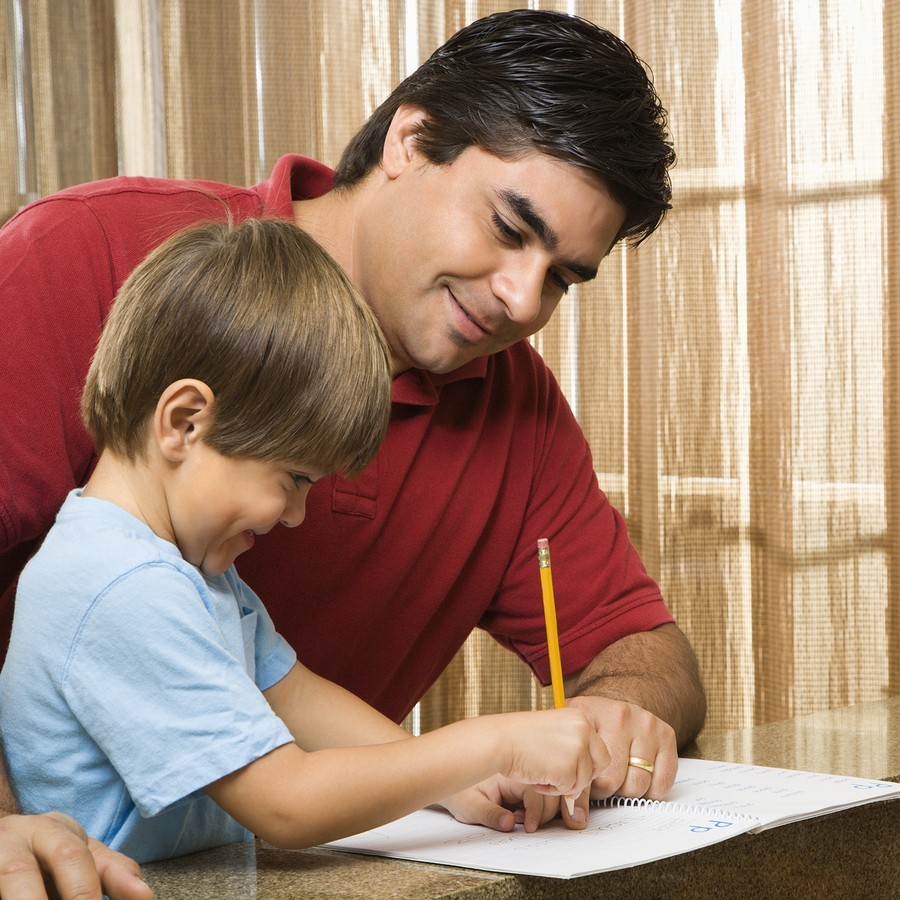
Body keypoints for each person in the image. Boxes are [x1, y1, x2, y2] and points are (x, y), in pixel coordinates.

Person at [0, 8, 706, 897]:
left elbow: (644, 650)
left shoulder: (515, 406)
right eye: (508, 227)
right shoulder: (84, 255)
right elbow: (283, 795)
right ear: (412, 139)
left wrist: (612, 725)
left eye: (563, 276)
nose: (525, 300)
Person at [0, 216, 608, 868]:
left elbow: (293, 693)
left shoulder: (188, 571)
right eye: (292, 479)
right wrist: (491, 747)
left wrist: (454, 785)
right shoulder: (122, 585)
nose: (294, 515)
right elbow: (284, 803)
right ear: (184, 422)